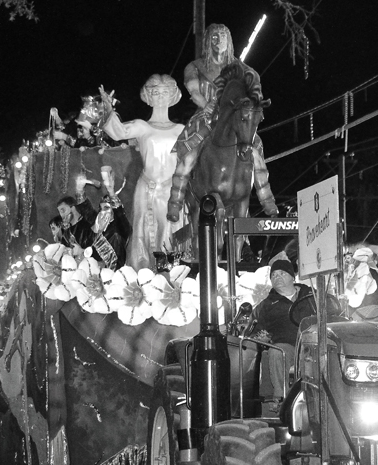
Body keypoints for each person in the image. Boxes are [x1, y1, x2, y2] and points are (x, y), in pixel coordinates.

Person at [166, 24, 276, 224]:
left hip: (234, 117)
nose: (219, 40)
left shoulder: (243, 69)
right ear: (208, 41)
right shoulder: (195, 66)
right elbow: (194, 91)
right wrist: (206, 105)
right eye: (214, 37)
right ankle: (176, 200)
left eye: (223, 36)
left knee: (255, 149)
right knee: (190, 153)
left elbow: (254, 93)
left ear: (229, 40)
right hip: (206, 116)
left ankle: (265, 196)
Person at [101, 75, 186, 270]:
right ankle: (143, 274)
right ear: (148, 95)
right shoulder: (142, 126)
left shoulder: (181, 129)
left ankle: (170, 276)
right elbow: (119, 132)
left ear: (173, 95)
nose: (160, 97)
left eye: (165, 92)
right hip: (147, 187)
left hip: (172, 190)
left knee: (171, 231)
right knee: (143, 229)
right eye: (155, 92)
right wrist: (108, 109)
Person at [252, 260, 313, 403]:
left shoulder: (311, 296)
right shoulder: (265, 305)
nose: (277, 277)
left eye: (282, 273)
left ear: (293, 277)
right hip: (287, 347)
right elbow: (256, 332)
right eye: (273, 275)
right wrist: (261, 338)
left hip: (314, 343)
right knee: (276, 352)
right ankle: (282, 398)